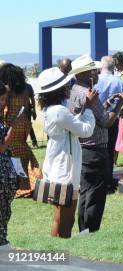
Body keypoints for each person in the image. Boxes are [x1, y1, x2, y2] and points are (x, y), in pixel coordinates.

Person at [67, 55, 123, 233]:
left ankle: (83, 230)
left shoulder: (75, 90)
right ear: (84, 73)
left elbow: (92, 112)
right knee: (96, 193)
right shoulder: (88, 92)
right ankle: (91, 230)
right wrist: (119, 103)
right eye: (92, 69)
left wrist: (108, 102)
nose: (96, 72)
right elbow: (105, 121)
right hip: (95, 148)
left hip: (82, 148)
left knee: (86, 191)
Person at [39, 67, 96, 238]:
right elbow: (85, 130)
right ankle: (62, 254)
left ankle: (56, 250)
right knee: (66, 219)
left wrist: (85, 107)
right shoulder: (59, 111)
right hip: (65, 170)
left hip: (60, 165)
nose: (68, 88)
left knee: (60, 217)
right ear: (59, 90)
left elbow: (72, 125)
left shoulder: (53, 109)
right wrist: (90, 109)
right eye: (65, 86)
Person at [0, 63, 41, 197]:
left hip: (9, 127)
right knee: (24, 156)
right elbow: (27, 108)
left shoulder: (6, 91)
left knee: (11, 156)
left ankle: (16, 184)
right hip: (22, 126)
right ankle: (28, 184)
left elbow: (3, 110)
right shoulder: (24, 90)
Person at [95, 56, 123, 192]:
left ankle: (100, 179)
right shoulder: (119, 81)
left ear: (102, 66)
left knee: (98, 149)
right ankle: (108, 179)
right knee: (110, 150)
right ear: (113, 66)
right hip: (113, 118)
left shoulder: (95, 81)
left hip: (97, 120)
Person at [0, 81, 19, 246]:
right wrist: (12, 127)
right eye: (1, 99)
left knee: (5, 207)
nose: (4, 103)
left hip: (5, 169)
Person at [25, 82, 38, 148]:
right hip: (18, 109)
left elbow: (32, 99)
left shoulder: (28, 86)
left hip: (27, 110)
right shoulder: (14, 85)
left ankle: (34, 141)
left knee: (28, 125)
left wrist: (34, 110)